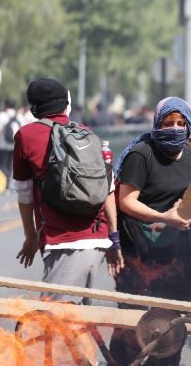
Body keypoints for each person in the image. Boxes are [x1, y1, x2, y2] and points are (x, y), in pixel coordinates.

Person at [12, 78, 122, 302]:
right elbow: (108, 189)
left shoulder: (26, 136)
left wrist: (31, 237)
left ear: (34, 108)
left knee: (58, 322)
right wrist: (114, 238)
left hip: (62, 240)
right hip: (97, 239)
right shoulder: (87, 133)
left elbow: (24, 194)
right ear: (66, 105)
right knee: (77, 320)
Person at [109, 97, 191, 366]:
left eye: (181, 123)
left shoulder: (190, 154)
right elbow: (126, 201)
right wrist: (164, 217)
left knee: (170, 328)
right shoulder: (141, 155)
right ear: (157, 124)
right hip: (138, 257)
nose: (175, 129)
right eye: (168, 123)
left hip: (174, 259)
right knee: (133, 329)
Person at [0, 99, 21, 190]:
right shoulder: (18, 115)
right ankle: (10, 184)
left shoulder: (2, 115)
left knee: (2, 164)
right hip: (15, 144)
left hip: (4, 145)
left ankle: (7, 179)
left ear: (6, 106)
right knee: (12, 164)